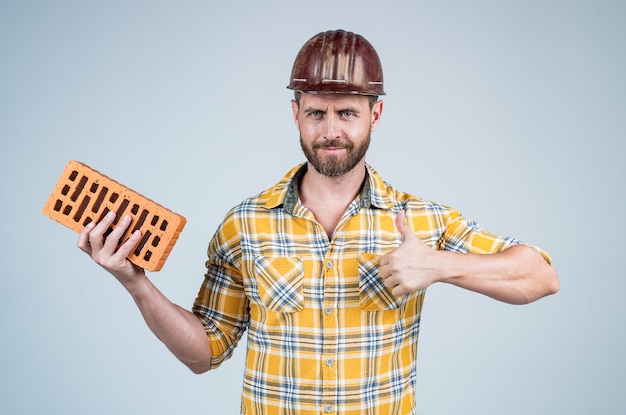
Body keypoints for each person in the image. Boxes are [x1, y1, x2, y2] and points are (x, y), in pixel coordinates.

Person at [77, 30, 559, 415]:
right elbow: (203, 353)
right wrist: (134, 282)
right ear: (295, 114)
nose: (331, 131)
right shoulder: (244, 224)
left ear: (377, 113)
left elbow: (540, 274)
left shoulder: (420, 220)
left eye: (347, 113)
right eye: (316, 114)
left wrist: (441, 265)